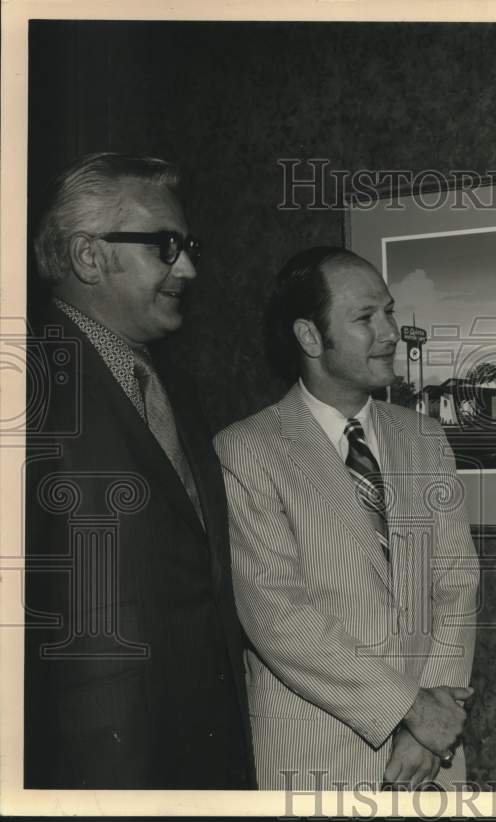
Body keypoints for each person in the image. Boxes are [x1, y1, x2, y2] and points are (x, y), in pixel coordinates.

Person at [24, 153, 255, 788]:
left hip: (206, 746)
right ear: (88, 256)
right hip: (95, 765)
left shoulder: (176, 385)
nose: (189, 267)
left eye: (189, 246)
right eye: (165, 246)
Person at [214, 247, 480, 790]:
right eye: (366, 318)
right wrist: (408, 708)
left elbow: (456, 582)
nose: (390, 332)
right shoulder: (248, 450)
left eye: (389, 311)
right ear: (310, 338)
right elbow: (277, 618)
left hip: (429, 760)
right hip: (315, 758)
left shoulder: (425, 438)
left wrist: (429, 726)